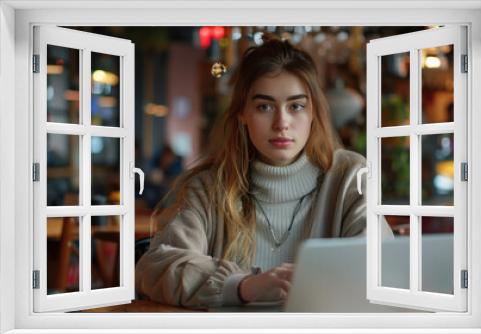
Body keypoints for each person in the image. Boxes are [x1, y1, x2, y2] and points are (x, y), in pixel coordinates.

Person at [135, 36, 393, 309]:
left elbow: (380, 265)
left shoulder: (350, 177)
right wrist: (244, 286)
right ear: (242, 115)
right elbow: (155, 268)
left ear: (313, 113)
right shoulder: (209, 187)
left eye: (296, 106)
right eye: (264, 107)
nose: (282, 123)